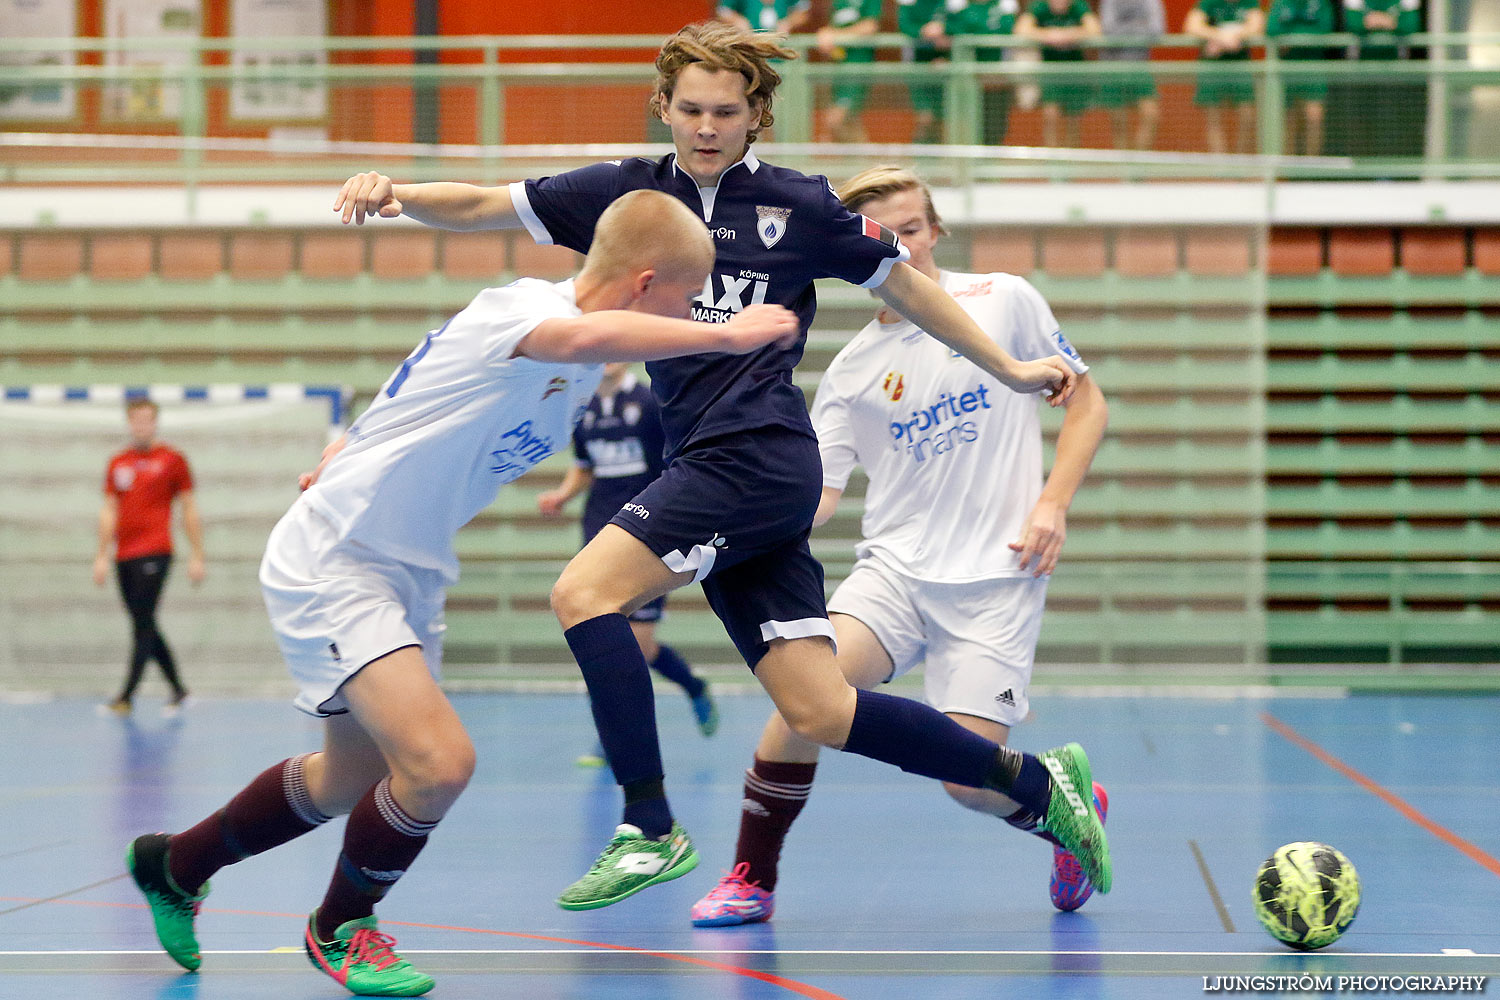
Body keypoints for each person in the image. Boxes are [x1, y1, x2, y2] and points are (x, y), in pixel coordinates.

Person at [333, 20, 1109, 917]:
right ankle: (1035, 787)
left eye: (727, 112)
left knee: (583, 594)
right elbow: (485, 205)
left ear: (756, 116)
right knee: (818, 710)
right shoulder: (626, 200)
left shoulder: (802, 205)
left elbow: (910, 290)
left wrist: (1010, 369)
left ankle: (650, 826)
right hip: (715, 463)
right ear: (663, 106)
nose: (706, 127)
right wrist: (395, 193)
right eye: (691, 109)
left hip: (755, 455)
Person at [123, 189, 800, 998]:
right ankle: (340, 927)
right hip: (341, 559)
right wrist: (725, 334)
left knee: (347, 781)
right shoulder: (520, 311)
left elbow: (426, 396)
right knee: (439, 765)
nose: (695, 312)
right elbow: (584, 330)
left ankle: (175, 864)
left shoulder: (576, 379)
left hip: (408, 572)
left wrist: (350, 444)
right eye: (689, 297)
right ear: (645, 284)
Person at [690, 164, 1110, 926]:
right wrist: (721, 522)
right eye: (886, 236)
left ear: (937, 230)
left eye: (914, 229)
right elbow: (815, 499)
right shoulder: (850, 370)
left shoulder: (1003, 301)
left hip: (997, 577)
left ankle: (1058, 804)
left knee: (971, 781)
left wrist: (1053, 503)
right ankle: (753, 876)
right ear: (853, 251)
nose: (906, 248)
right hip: (893, 575)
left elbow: (1087, 403)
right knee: (803, 700)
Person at [537, 361, 720, 755]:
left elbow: (672, 466)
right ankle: (612, 741)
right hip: (600, 530)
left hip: (649, 531)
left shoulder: (650, 402)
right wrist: (562, 496)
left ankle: (693, 686)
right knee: (598, 633)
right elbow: (584, 467)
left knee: (640, 644)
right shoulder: (582, 409)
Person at [93, 397, 204, 716]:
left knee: (143, 623)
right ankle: (179, 689)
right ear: (130, 423)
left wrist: (197, 554)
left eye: (147, 419)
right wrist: (102, 555)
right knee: (144, 623)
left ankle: (126, 695)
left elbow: (189, 508)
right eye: (136, 420)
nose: (142, 426)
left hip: (156, 551)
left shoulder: (173, 460)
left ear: (155, 422)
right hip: (123, 555)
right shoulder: (118, 462)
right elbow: (109, 510)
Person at [1017, 0, 1103, 148]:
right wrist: (1048, 35)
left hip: (1075, 72)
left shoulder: (1079, 6)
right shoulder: (1039, 6)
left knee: (1074, 120)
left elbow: (1095, 29)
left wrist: (1069, 35)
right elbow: (1021, 29)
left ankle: (1071, 160)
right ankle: (1052, 161)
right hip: (1050, 72)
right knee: (1050, 116)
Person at [1185, 0, 1265, 154]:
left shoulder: (1250, 3)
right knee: (1213, 119)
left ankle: (1240, 164)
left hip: (1241, 64)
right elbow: (1192, 26)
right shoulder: (1208, 3)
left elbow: (1257, 26)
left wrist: (1235, 36)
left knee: (1247, 114)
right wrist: (1221, 37)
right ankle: (1221, 167)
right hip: (1211, 65)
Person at [942, 0, 1024, 146]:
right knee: (966, 125)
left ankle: (991, 162)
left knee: (995, 126)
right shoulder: (958, 6)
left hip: (997, 79)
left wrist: (976, 30)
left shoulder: (1004, 5)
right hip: (967, 80)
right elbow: (953, 29)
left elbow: (1007, 29)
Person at [1266, 0, 1336, 155]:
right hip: (1286, 68)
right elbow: (1272, 29)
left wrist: (1291, 35)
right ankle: (1289, 169)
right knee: (1289, 121)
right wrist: (1304, 32)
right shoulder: (1280, 3)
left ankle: (1311, 167)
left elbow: (1325, 29)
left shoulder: (1321, 4)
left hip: (1313, 67)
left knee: (1314, 118)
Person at [1097, 0, 1165, 150]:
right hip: (1113, 66)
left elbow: (1157, 31)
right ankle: (1124, 169)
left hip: (1140, 66)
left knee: (1151, 114)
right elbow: (1108, 31)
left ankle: (1137, 165)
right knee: (1118, 121)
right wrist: (1139, 26)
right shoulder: (1110, 2)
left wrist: (1125, 31)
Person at [815, 0, 883, 143]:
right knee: (850, 120)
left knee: (836, 119)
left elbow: (870, 26)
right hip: (838, 70)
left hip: (858, 68)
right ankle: (862, 158)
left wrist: (837, 35)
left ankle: (862, 156)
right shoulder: (838, 3)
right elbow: (831, 30)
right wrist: (826, 36)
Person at [717, 0, 813, 35]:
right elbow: (723, 10)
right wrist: (738, 20)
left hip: (781, 49)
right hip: (751, 46)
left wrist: (789, 22)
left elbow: (803, 11)